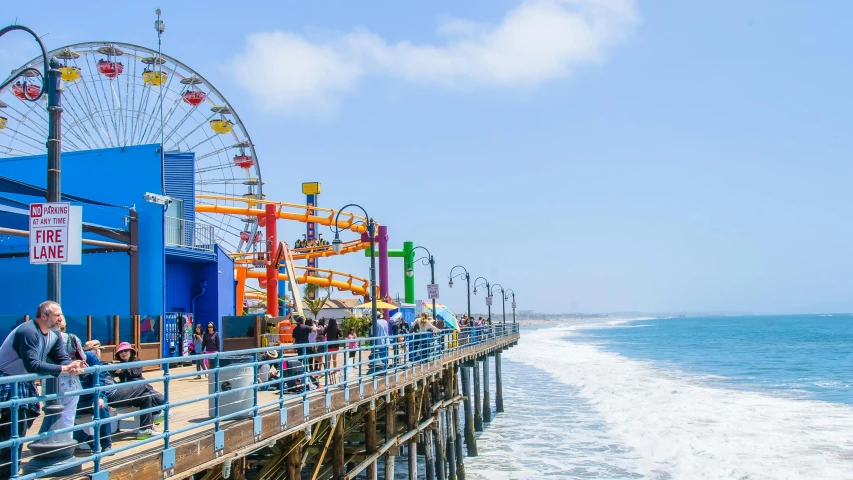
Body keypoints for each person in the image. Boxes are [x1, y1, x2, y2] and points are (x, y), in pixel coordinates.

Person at [0, 301, 85, 478]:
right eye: (57, 316)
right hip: (6, 380)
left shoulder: (53, 335)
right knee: (11, 427)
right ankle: (7, 471)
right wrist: (64, 369)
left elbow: (61, 358)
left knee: (25, 421)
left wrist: (73, 365)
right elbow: (32, 365)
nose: (61, 319)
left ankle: (9, 468)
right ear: (44, 316)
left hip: (22, 382)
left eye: (61, 315)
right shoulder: (28, 331)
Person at [83, 340, 163, 440]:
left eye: (126, 351)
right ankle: (157, 413)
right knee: (142, 386)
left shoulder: (97, 363)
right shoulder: (90, 364)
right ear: (95, 351)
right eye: (99, 350)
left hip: (114, 392)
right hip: (109, 395)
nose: (123, 353)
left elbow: (134, 372)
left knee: (145, 396)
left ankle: (145, 429)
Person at [74, 340, 112, 451]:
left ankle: (106, 444)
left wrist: (99, 396)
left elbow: (100, 377)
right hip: (74, 399)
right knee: (59, 416)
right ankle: (87, 439)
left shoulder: (90, 358)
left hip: (92, 396)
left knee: (102, 407)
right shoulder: (63, 360)